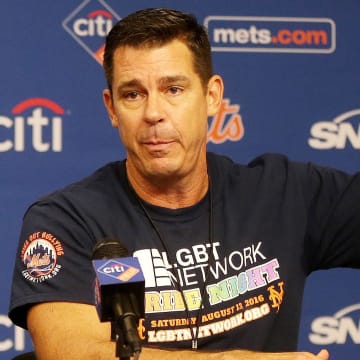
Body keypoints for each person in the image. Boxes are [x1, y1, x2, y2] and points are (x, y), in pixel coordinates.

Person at [8, 7, 359, 360]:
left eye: (173, 89)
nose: (153, 113)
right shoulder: (66, 220)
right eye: (133, 94)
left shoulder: (284, 194)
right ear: (112, 108)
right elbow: (72, 353)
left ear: (212, 96)